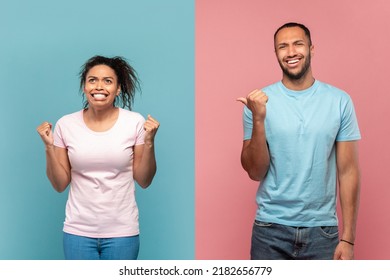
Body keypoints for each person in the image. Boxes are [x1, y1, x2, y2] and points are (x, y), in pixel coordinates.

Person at [237, 22, 361, 260]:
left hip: (323, 232)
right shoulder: (257, 103)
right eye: (282, 47)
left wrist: (348, 238)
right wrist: (259, 119)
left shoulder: (339, 101)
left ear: (311, 49)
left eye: (298, 44)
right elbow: (254, 171)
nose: (291, 52)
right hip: (270, 230)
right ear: (276, 54)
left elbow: (348, 171)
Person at [37, 55, 160, 260]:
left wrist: (149, 142)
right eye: (92, 80)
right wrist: (49, 147)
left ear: (118, 89)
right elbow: (59, 184)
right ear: (84, 87)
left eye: (108, 81)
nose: (99, 86)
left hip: (122, 232)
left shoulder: (134, 122)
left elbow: (144, 180)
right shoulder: (66, 124)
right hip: (77, 231)